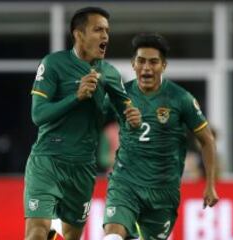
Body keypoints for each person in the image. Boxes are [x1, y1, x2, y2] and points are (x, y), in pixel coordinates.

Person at [23, 7, 141, 240]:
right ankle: (50, 225)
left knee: (72, 236)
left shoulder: (108, 72)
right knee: (37, 231)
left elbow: (124, 112)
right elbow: (38, 115)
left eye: (107, 30)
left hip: (83, 166)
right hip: (48, 160)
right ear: (78, 34)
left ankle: (56, 225)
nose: (105, 36)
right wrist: (75, 97)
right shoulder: (54, 64)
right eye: (98, 30)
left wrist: (133, 119)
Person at [102, 33, 219, 240]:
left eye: (153, 62)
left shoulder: (180, 98)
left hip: (163, 192)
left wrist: (209, 184)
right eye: (141, 61)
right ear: (133, 64)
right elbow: (90, 122)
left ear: (163, 66)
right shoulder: (120, 95)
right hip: (125, 183)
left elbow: (207, 140)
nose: (146, 67)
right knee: (112, 236)